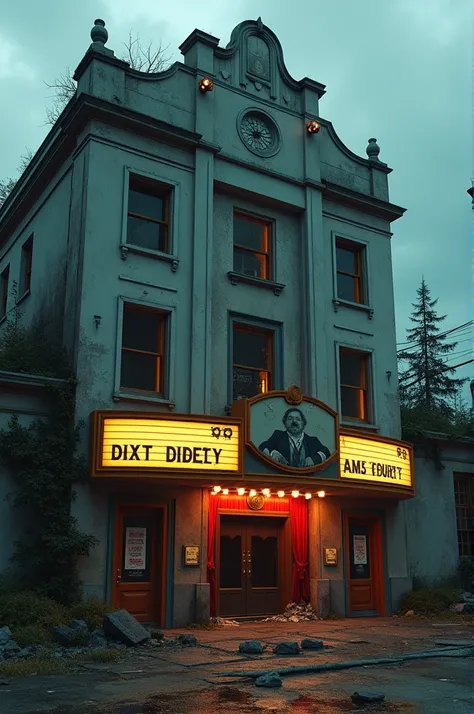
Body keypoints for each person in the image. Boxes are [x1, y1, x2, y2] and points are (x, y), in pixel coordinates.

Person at [259, 408, 331, 468]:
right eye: (290, 419)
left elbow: (326, 452)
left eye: (298, 419)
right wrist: (273, 453)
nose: (294, 421)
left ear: (303, 423)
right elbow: (263, 446)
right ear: (285, 423)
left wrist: (314, 460)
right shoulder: (278, 436)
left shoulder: (312, 441)